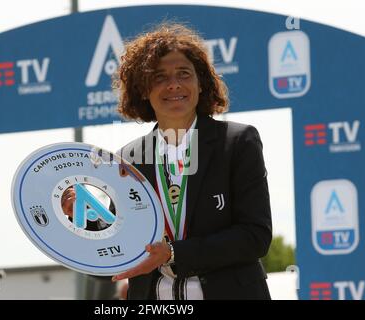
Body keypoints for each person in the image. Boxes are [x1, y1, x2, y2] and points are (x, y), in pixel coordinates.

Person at [107, 23, 273, 300]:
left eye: (184, 74)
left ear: (200, 84)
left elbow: (255, 236)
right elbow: (112, 254)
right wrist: (82, 218)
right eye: (159, 77)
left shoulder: (237, 141)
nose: (173, 84)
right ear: (143, 89)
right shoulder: (128, 158)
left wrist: (174, 254)